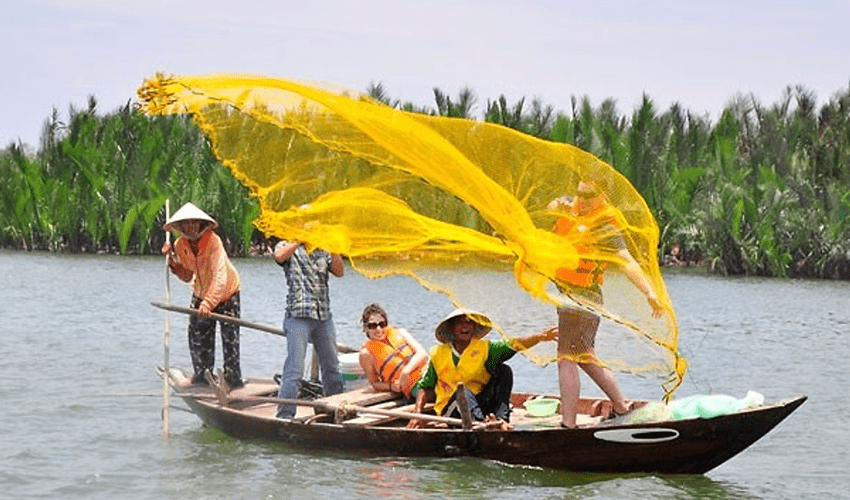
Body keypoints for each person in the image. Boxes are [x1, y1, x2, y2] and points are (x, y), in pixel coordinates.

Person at [548, 179, 664, 427]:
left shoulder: (605, 224)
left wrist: (649, 292)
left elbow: (626, 260)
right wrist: (559, 206)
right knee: (585, 355)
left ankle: (568, 424)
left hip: (582, 295)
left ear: (601, 196)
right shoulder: (568, 209)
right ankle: (621, 408)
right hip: (569, 293)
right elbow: (547, 211)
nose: (583, 200)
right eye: (580, 193)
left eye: (590, 196)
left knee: (566, 357)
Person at [407, 309, 556, 430]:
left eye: (470, 323)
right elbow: (425, 386)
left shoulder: (485, 347)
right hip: (452, 409)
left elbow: (513, 344)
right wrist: (417, 414)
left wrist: (540, 337)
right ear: (451, 329)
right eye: (460, 323)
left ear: (475, 327)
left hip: (480, 403)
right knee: (463, 391)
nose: (466, 327)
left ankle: (501, 420)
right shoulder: (437, 353)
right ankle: (482, 425)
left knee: (504, 371)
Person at [161, 202, 243, 389]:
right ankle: (201, 375)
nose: (190, 227)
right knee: (197, 334)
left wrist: (209, 302)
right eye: (185, 224)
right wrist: (172, 262)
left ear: (200, 224)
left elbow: (220, 276)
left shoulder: (213, 241)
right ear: (180, 227)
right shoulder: (180, 244)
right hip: (200, 291)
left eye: (193, 223)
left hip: (227, 293)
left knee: (230, 338)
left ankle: (232, 379)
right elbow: (188, 274)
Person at [274, 239, 345, 419]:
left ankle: (334, 411)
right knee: (294, 369)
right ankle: (285, 416)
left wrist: (334, 246)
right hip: (298, 316)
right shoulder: (286, 245)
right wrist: (299, 239)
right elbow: (279, 257)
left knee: (332, 367)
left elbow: (340, 271)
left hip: (323, 316)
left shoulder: (324, 249)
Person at [358, 303, 428, 400]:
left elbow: (422, 353)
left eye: (382, 324)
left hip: (428, 372)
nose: (378, 329)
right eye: (373, 326)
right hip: (414, 385)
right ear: (366, 328)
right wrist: (391, 387)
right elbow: (375, 383)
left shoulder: (401, 332)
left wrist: (406, 371)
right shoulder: (366, 354)